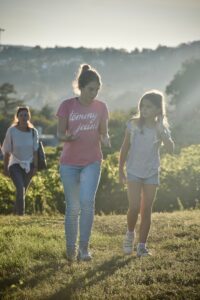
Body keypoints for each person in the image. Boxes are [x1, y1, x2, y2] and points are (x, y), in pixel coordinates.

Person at [56, 64, 110, 261]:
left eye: (97, 89)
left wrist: (105, 139)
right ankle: (71, 250)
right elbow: (59, 133)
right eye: (90, 89)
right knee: (73, 207)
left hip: (92, 161)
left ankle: (84, 250)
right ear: (81, 87)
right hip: (69, 163)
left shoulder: (101, 107)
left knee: (87, 203)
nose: (94, 93)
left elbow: (104, 132)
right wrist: (66, 137)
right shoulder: (67, 105)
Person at [119, 90, 174, 257]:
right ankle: (130, 234)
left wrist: (163, 133)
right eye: (142, 106)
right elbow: (125, 148)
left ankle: (142, 246)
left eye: (148, 106)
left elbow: (171, 149)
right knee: (134, 207)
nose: (144, 109)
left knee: (146, 210)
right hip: (133, 171)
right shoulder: (133, 124)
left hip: (151, 173)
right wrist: (120, 170)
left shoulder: (161, 128)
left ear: (158, 109)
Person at [2, 106, 39, 215]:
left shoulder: (33, 132)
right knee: (20, 188)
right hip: (15, 164)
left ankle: (14, 214)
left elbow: (35, 151)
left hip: (29, 165)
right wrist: (5, 168)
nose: (23, 117)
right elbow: (7, 150)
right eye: (21, 115)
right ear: (17, 117)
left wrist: (36, 167)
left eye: (26, 115)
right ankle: (21, 215)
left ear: (29, 116)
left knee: (22, 192)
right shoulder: (11, 131)